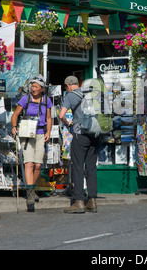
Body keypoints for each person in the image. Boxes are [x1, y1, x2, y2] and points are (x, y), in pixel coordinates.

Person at [11, 74, 52, 212]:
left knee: (38, 165)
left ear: (42, 88)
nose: (33, 89)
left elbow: (48, 117)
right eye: (32, 86)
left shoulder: (47, 100)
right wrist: (14, 126)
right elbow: (15, 115)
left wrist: (49, 132)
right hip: (27, 133)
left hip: (40, 133)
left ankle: (31, 188)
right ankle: (29, 194)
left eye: (36, 86)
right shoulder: (25, 99)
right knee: (29, 163)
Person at [59, 75, 99, 213]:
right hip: (95, 134)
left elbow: (61, 115)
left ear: (68, 85)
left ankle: (79, 201)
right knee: (91, 168)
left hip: (80, 134)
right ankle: (92, 201)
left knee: (77, 167)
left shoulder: (70, 95)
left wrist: (67, 124)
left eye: (66, 87)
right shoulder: (91, 93)